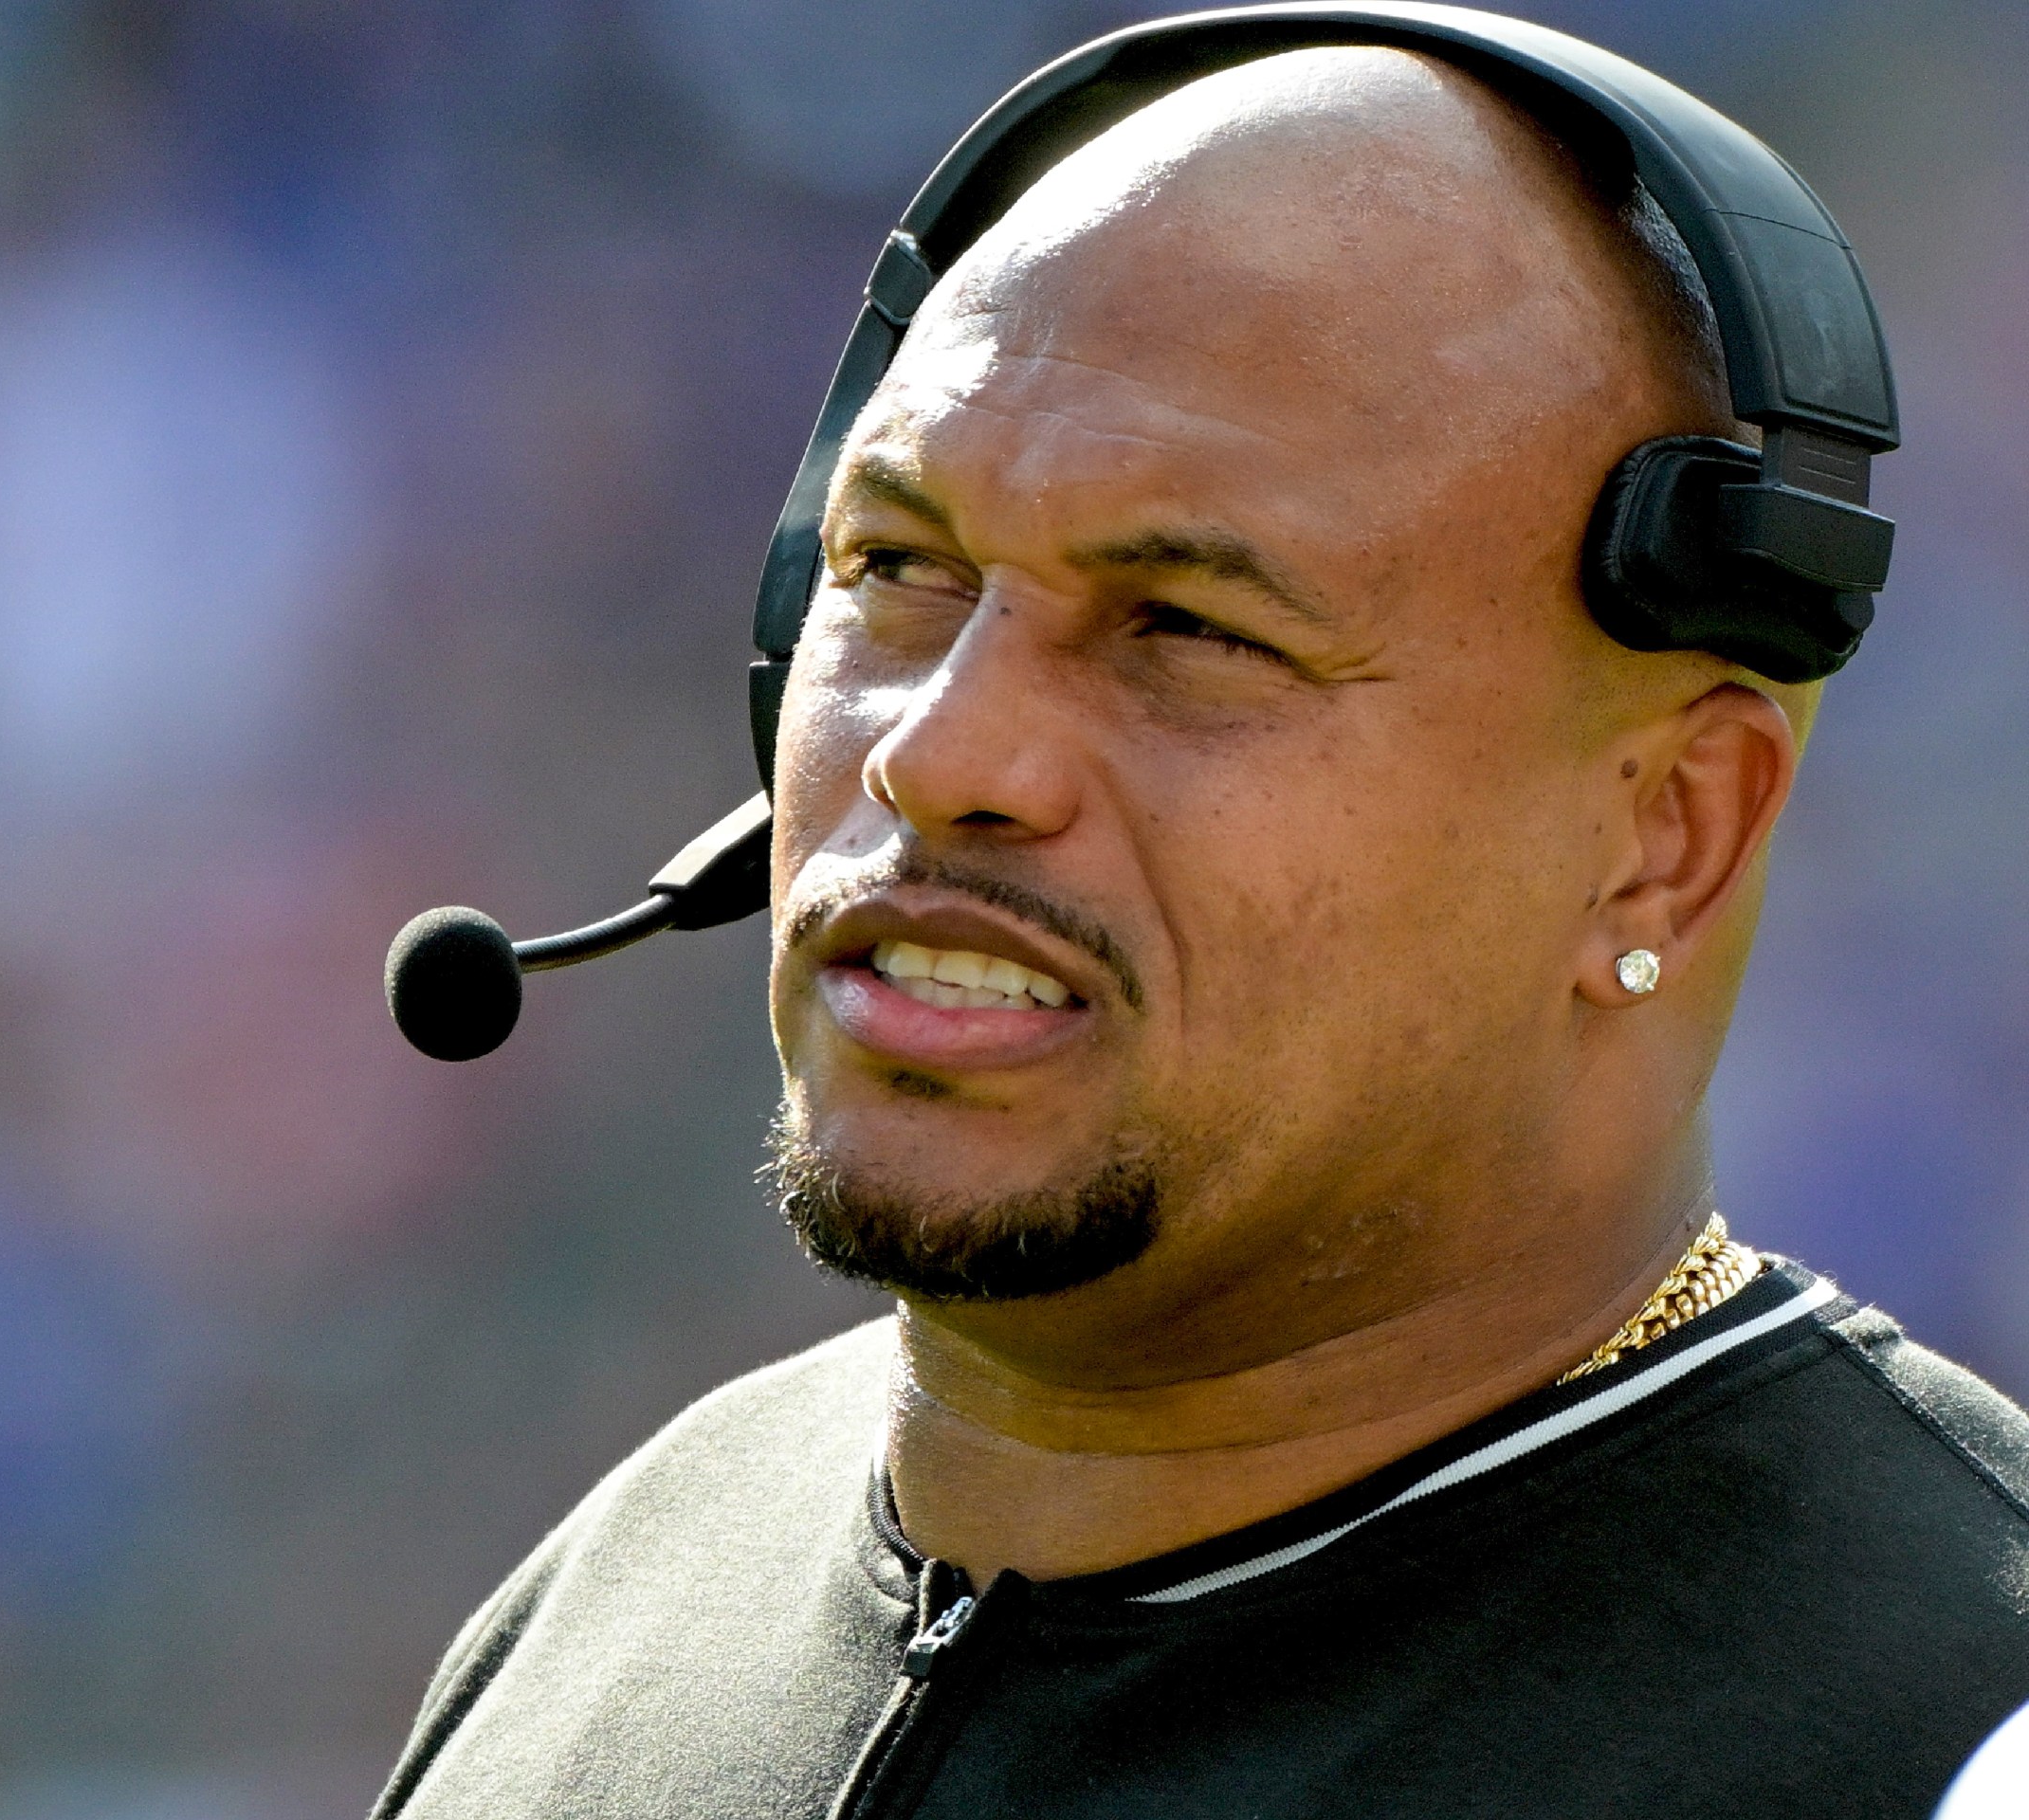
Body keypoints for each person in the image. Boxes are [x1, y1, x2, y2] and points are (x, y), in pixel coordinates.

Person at [370, 33, 2029, 1820]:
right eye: (898, 571)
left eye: (1189, 628)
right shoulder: (613, 1612)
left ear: (1661, 843)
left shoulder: (1957, 1732)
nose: (942, 753)